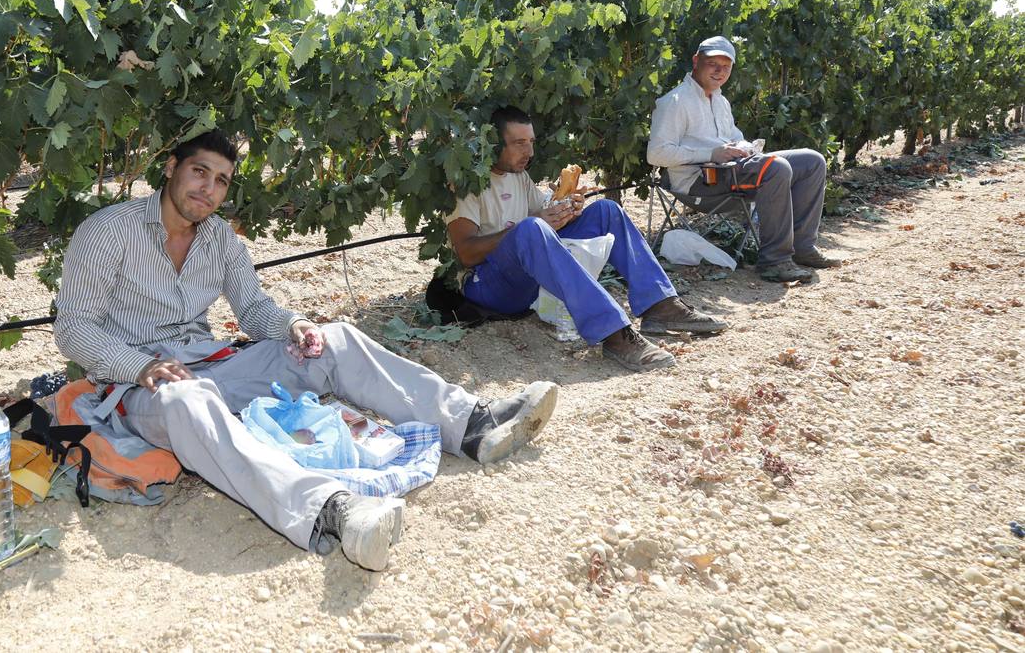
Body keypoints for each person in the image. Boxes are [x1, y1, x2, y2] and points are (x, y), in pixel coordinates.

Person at [54, 129, 557, 572]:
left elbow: (252, 310)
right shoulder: (108, 231)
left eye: (222, 180)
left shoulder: (220, 241)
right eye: (198, 172)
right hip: (137, 386)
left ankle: (472, 424)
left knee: (332, 339)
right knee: (187, 400)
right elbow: (74, 330)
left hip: (214, 364)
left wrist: (295, 324)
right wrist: (141, 366)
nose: (208, 189)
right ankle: (334, 511)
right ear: (171, 169)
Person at [445, 106, 728, 373]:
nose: (529, 151)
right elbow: (467, 253)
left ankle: (660, 305)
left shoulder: (518, 175)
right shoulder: (468, 185)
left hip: (527, 276)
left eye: (531, 141)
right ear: (495, 144)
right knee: (530, 229)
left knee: (606, 211)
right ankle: (614, 333)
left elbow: (541, 220)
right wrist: (532, 226)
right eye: (519, 143)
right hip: (487, 287)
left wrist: (566, 210)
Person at [647, 36, 841, 283]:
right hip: (701, 183)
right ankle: (774, 261)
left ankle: (803, 248)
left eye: (726, 66)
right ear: (696, 61)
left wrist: (745, 147)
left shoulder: (720, 100)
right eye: (712, 63)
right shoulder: (674, 102)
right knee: (776, 168)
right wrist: (711, 154)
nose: (719, 71)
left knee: (812, 161)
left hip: (729, 171)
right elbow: (656, 154)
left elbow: (734, 137)